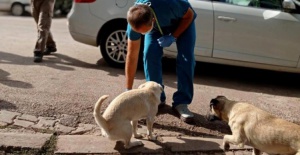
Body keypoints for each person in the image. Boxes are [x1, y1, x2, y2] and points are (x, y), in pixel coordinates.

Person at [126, 0, 197, 123]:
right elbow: (132, 56)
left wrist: (173, 36)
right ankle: (157, 98)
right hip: (154, 27)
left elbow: (189, 15)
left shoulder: (170, 4)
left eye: (143, 31)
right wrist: (128, 90)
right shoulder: (135, 21)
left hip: (182, 21)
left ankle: (181, 103)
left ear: (152, 20)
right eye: (140, 32)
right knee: (149, 54)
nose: (141, 34)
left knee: (186, 59)